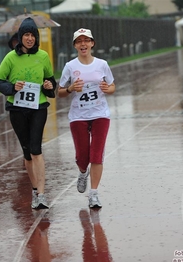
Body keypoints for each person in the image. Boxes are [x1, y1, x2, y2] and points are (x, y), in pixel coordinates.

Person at [0, 18, 56, 209]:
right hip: (18, 109)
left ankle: (42, 195)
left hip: (38, 107)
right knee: (27, 152)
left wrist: (48, 85)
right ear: (20, 37)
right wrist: (13, 87)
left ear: (36, 37)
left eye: (32, 35)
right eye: (26, 35)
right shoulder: (10, 57)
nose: (30, 38)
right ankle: (35, 189)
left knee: (36, 148)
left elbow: (51, 81)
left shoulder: (43, 56)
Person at [58, 28, 115, 208]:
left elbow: (112, 86)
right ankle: (83, 172)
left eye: (86, 40)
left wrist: (108, 89)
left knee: (96, 156)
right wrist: (70, 89)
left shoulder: (102, 64)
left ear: (92, 43)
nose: (83, 44)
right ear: (75, 45)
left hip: (100, 114)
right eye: (79, 41)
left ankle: (94, 194)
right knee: (83, 157)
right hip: (78, 116)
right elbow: (59, 92)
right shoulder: (70, 66)